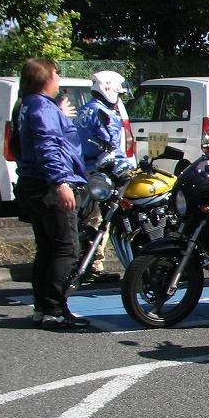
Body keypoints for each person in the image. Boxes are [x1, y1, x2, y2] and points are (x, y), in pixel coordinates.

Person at [15, 58, 90, 330]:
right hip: (48, 185)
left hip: (31, 182)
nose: (59, 79)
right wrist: (60, 183)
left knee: (47, 248)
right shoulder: (42, 108)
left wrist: (58, 113)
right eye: (57, 74)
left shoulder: (27, 104)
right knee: (66, 248)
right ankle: (55, 310)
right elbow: (47, 146)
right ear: (45, 77)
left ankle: (42, 308)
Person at [76, 70, 132, 280]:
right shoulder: (105, 114)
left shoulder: (83, 111)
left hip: (83, 171)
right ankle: (93, 266)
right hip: (102, 174)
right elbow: (112, 148)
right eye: (119, 94)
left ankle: (81, 260)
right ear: (109, 89)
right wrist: (126, 169)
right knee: (100, 220)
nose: (119, 99)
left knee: (85, 217)